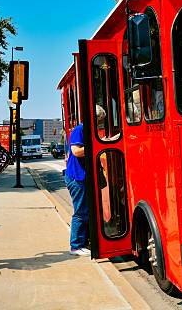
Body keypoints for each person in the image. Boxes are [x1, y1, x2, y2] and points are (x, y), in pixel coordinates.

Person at [65, 105, 113, 255]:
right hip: (77, 177)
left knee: (85, 210)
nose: (99, 123)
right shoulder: (79, 130)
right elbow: (77, 151)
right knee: (80, 212)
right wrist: (97, 143)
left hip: (83, 177)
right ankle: (76, 245)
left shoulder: (87, 130)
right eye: (99, 120)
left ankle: (83, 241)